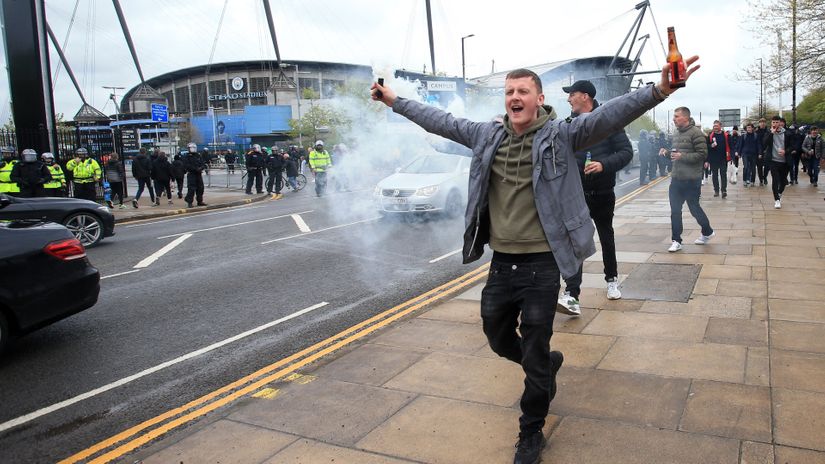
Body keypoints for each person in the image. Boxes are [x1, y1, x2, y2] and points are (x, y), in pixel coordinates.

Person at [372, 56, 699, 463]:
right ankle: (546, 363)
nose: (514, 97)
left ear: (539, 99)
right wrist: (393, 100)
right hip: (502, 261)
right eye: (509, 92)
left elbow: (612, 116)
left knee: (535, 343)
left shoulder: (562, 134)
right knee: (497, 336)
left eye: (522, 91)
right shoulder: (486, 134)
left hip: (543, 262)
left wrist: (660, 90)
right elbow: (440, 120)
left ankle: (531, 430)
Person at [556, 80, 632, 316]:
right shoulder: (569, 123)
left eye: (572, 94)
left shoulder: (608, 121)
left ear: (585, 96)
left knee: (605, 236)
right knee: (575, 241)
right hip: (576, 195)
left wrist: (603, 165)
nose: (569, 99)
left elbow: (626, 153)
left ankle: (611, 279)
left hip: (602, 193)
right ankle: (571, 294)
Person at [663, 108, 714, 252]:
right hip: (676, 179)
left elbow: (702, 154)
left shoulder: (696, 133)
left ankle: (707, 231)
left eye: (676, 116)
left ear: (685, 118)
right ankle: (676, 240)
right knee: (675, 211)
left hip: (692, 179)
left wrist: (682, 156)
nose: (674, 119)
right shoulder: (676, 133)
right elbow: (675, 155)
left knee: (694, 208)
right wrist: (667, 153)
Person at [763, 115, 793, 209]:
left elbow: (792, 146)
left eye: (777, 122)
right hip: (773, 161)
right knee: (775, 180)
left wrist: (785, 151)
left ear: (780, 123)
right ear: (771, 123)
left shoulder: (787, 133)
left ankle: (779, 193)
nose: (775, 124)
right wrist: (771, 133)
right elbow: (764, 143)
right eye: (773, 122)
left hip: (784, 161)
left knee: (783, 181)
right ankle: (777, 200)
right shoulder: (769, 132)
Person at [707, 120, 730, 198]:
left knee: (723, 174)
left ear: (720, 126)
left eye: (716, 126)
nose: (715, 127)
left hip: (723, 158)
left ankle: (724, 190)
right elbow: (707, 147)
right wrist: (711, 146)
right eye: (714, 126)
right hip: (714, 159)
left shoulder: (725, 135)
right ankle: (716, 190)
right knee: (715, 175)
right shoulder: (710, 136)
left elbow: (729, 146)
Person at [184, 142, 207, 208]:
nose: (193, 149)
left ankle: (200, 201)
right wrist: (195, 169)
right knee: (191, 189)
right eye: (191, 147)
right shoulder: (187, 156)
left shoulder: (198, 155)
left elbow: (203, 163)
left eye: (194, 147)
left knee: (200, 188)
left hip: (198, 174)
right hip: (191, 174)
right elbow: (187, 165)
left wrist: (201, 168)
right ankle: (189, 202)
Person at [738, 123, 761, 187]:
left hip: (754, 154)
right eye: (748, 127)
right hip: (745, 154)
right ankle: (744, 180)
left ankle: (752, 181)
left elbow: (758, 145)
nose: (749, 129)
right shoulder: (743, 136)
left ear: (752, 128)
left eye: (750, 127)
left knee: (753, 168)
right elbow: (740, 145)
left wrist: (760, 153)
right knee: (746, 167)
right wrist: (739, 153)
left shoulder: (756, 136)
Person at [755, 118, 769, 186]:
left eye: (764, 122)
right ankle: (761, 179)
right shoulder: (756, 132)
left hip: (767, 151)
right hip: (758, 151)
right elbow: (757, 143)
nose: (762, 123)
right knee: (759, 166)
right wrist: (759, 152)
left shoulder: (768, 131)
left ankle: (765, 177)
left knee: (767, 166)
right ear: (759, 123)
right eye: (761, 122)